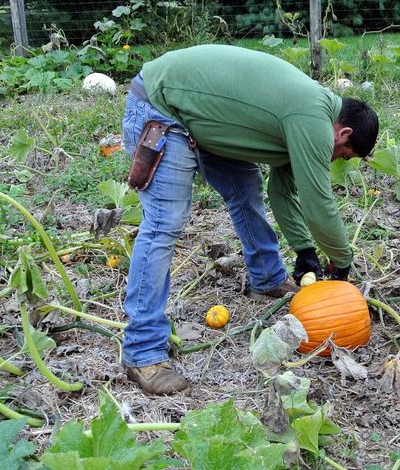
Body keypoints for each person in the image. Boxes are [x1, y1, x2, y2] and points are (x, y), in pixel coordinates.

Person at [121, 44, 379, 395]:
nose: (335, 159)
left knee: (246, 187)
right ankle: (142, 352)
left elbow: (282, 192)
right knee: (165, 221)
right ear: (343, 134)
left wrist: (305, 250)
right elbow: (319, 204)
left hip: (202, 115)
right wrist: (342, 261)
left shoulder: (310, 112)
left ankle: (267, 278)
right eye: (343, 155)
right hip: (162, 107)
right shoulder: (313, 120)